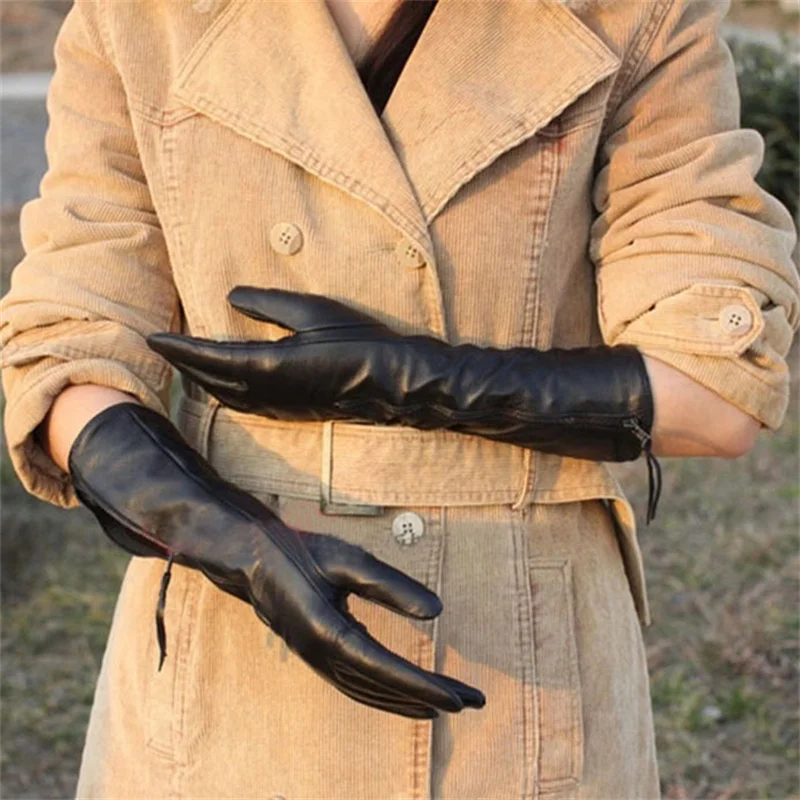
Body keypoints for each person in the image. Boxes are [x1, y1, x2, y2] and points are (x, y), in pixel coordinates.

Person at [1, 0, 798, 796]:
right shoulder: (140, 15)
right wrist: (230, 540)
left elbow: (715, 391)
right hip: (223, 670)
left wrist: (409, 379)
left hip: (522, 665)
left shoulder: (636, 15)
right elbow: (70, 343)